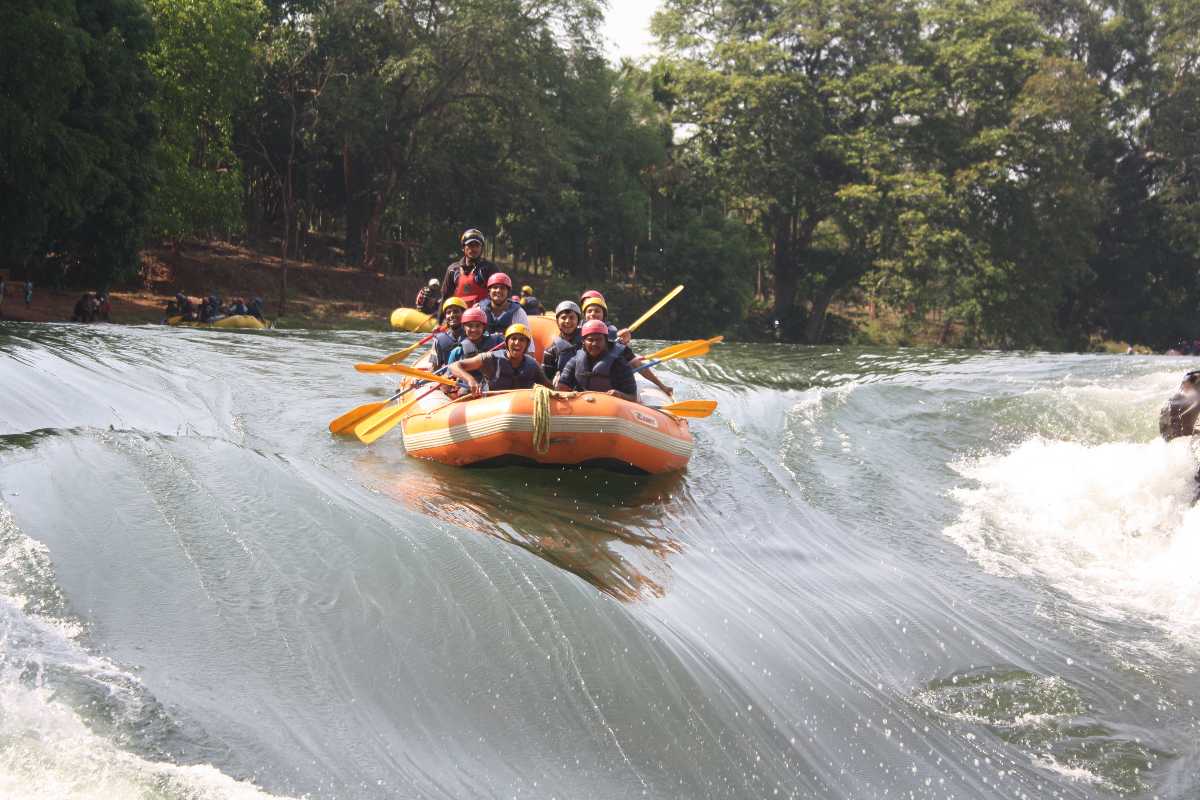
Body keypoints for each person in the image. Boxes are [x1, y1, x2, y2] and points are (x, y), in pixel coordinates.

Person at [580, 296, 673, 396]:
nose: (593, 314)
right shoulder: (576, 331)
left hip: (612, 385)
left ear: (604, 315)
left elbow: (636, 363)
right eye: (589, 311)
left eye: (597, 311)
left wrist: (662, 386)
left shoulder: (613, 334)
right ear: (584, 315)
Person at [450, 323, 552, 396]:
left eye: (522, 340)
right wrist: (470, 380)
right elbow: (454, 366)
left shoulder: (532, 365)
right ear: (507, 343)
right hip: (492, 407)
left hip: (521, 411)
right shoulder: (490, 358)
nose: (517, 343)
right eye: (513, 339)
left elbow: (550, 388)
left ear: (526, 345)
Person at [555, 319, 640, 402]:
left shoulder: (620, 363)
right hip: (582, 404)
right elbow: (562, 386)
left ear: (606, 341)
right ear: (583, 342)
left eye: (599, 339)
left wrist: (620, 395)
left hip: (611, 405)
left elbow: (633, 397)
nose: (594, 344)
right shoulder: (575, 361)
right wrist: (562, 389)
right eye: (590, 340)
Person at [439, 228, 498, 308]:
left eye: (477, 245)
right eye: (470, 245)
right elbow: (445, 298)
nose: (473, 249)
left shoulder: (490, 268)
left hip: (484, 317)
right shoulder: (452, 270)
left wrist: (484, 305)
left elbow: (499, 295)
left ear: (482, 248)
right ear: (463, 248)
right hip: (458, 317)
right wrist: (439, 320)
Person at [542, 301, 583, 384]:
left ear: (578, 321)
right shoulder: (551, 351)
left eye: (572, 317)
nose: (567, 321)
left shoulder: (587, 343)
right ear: (557, 321)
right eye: (563, 318)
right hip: (564, 391)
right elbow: (546, 378)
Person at [428, 297, 468, 370]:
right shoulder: (439, 339)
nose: (452, 315)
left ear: (464, 314)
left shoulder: (473, 335)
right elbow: (434, 368)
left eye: (456, 311)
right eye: (448, 313)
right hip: (448, 377)